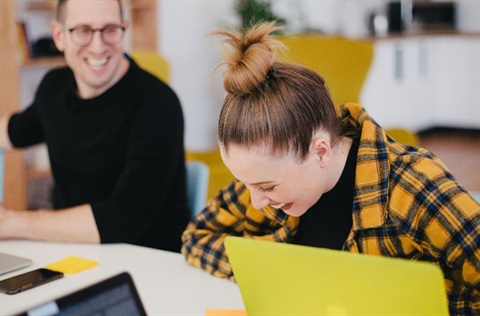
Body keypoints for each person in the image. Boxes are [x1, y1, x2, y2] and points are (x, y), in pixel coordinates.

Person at [181, 22, 480, 314]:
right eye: (245, 183)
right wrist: (276, 273)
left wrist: (400, 298)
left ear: (320, 150)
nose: (257, 200)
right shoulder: (264, 176)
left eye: (267, 187)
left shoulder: (414, 186)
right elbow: (196, 237)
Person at [0, 0, 189, 252]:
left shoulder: (157, 105)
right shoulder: (54, 89)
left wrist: (12, 223)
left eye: (110, 29)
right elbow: (13, 131)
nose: (98, 47)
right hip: (71, 254)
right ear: (59, 35)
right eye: (83, 31)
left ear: (125, 29)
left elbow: (126, 216)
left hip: (146, 264)